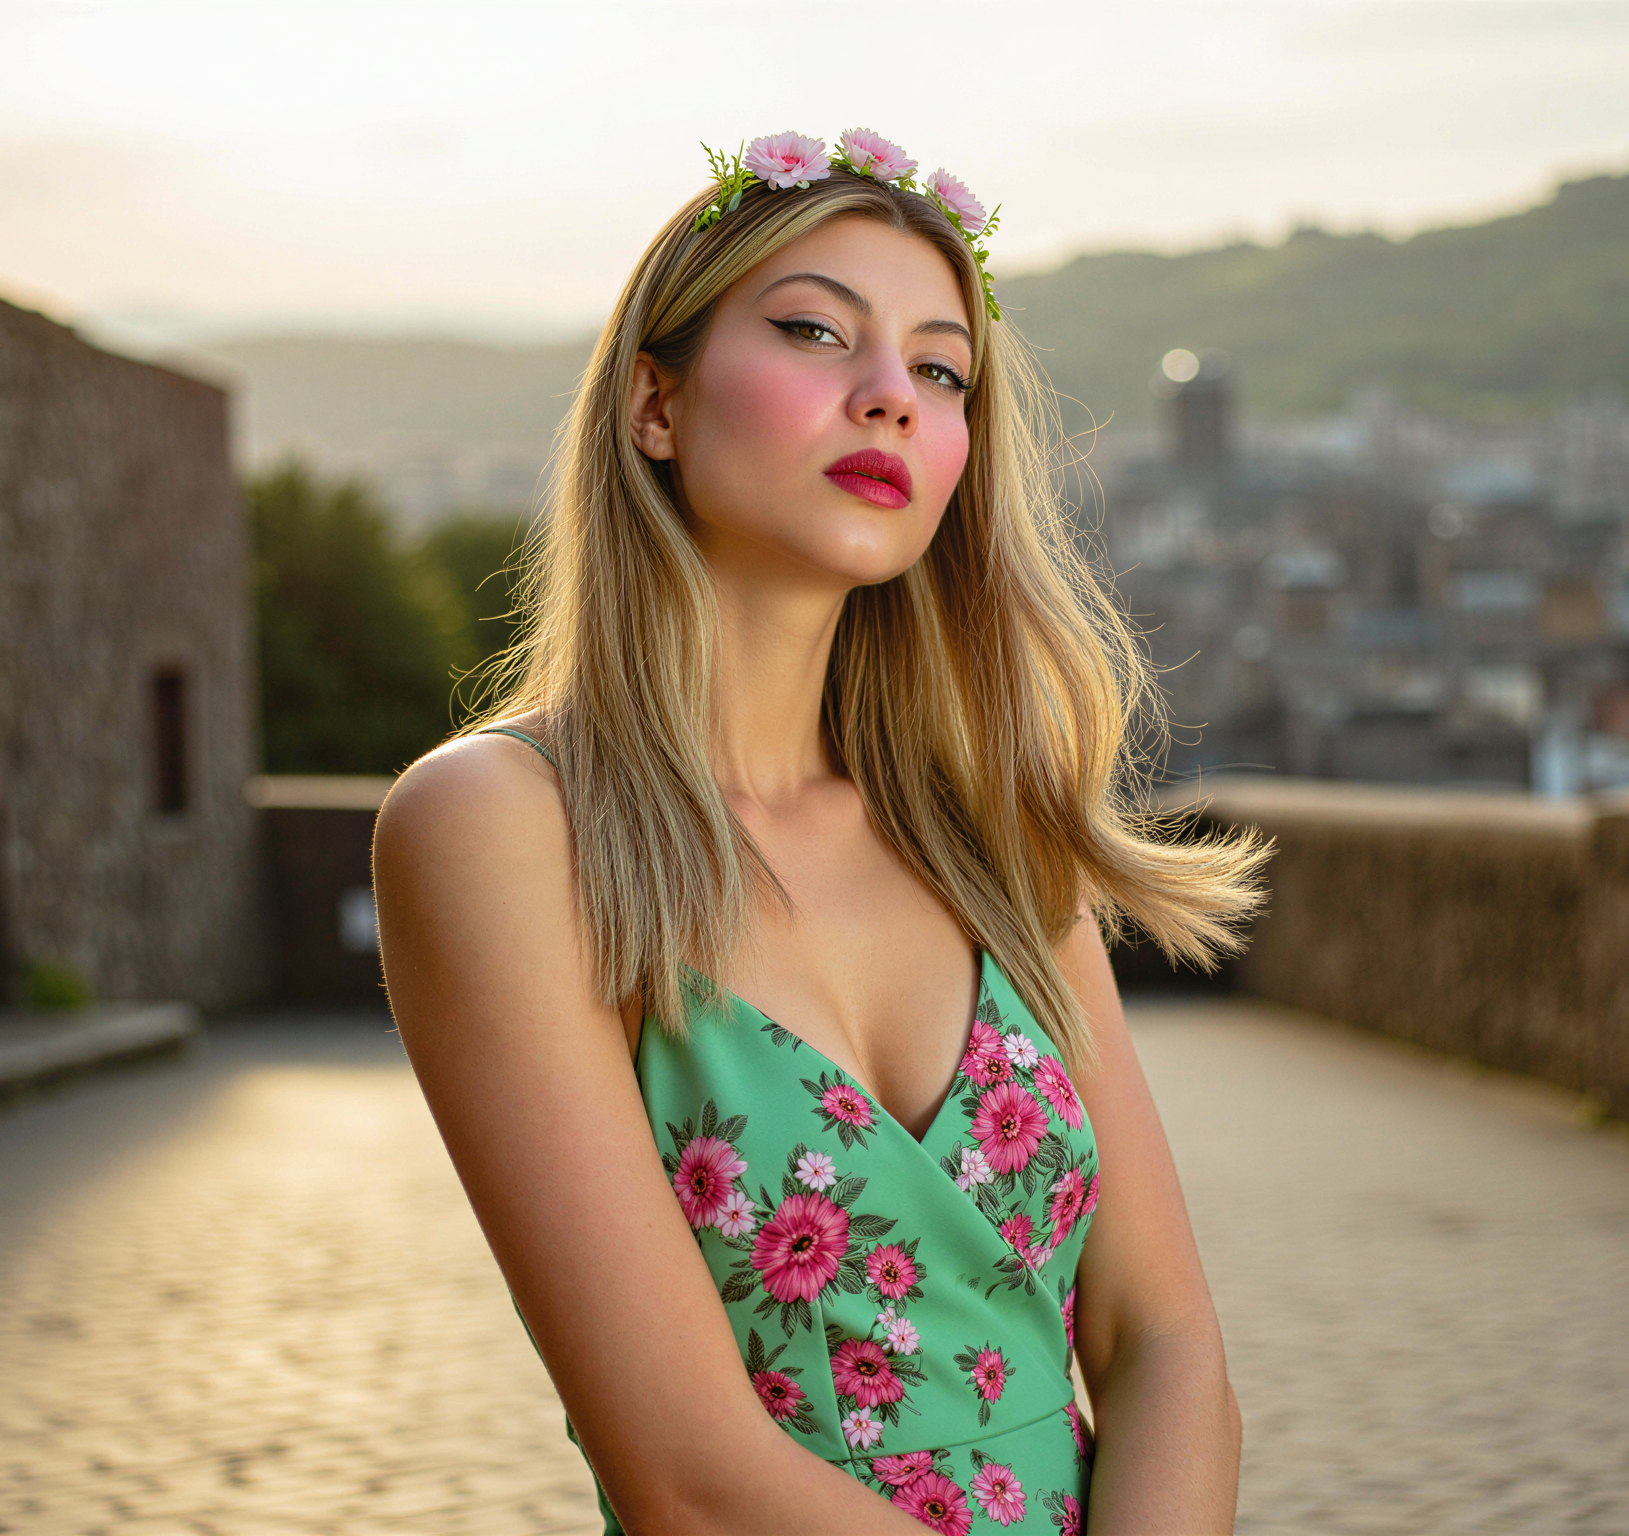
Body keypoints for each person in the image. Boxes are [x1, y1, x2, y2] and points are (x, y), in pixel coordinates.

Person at [373, 127, 1268, 1535]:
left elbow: (1169, 1349)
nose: (889, 401)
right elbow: (688, 1480)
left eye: (937, 369)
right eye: (813, 333)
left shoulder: (988, 825)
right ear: (654, 404)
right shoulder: (502, 828)